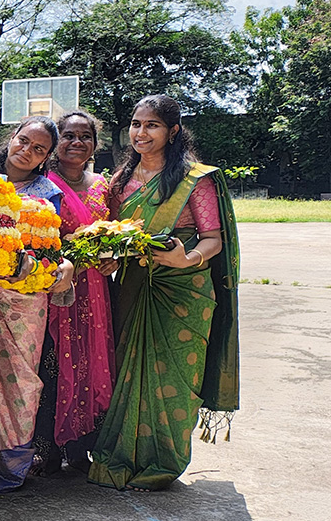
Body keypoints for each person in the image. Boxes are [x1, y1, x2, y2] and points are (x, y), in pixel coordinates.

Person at [89, 95, 240, 491]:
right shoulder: (120, 182)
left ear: (173, 131)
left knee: (174, 374)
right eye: (137, 125)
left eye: (152, 125)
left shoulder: (195, 179)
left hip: (183, 290)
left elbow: (213, 239)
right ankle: (120, 456)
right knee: (128, 368)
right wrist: (112, 261)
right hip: (133, 288)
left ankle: (163, 461)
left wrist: (186, 259)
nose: (141, 133)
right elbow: (121, 239)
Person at [0, 116, 74, 491]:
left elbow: (56, 247)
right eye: (24, 141)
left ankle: (10, 467)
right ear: (11, 139)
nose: (28, 151)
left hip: (24, 299)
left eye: (39, 149)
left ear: (46, 158)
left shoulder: (47, 193)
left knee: (19, 381)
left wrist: (66, 264)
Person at [33, 110, 116, 475]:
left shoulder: (102, 186)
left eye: (86, 136)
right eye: (68, 135)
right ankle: (48, 450)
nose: (77, 142)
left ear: (95, 145)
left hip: (95, 290)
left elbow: (114, 232)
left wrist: (114, 256)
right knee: (51, 363)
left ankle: (83, 446)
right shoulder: (42, 186)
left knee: (93, 363)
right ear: (56, 143)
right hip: (57, 287)